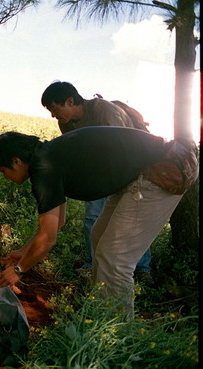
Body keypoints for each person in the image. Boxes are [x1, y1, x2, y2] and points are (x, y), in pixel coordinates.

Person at [0, 127, 191, 316]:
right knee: (98, 236)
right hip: (142, 172)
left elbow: (49, 239)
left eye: (3, 171)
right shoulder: (47, 157)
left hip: (165, 168)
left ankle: (117, 334)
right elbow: (58, 223)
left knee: (116, 258)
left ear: (16, 161)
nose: (5, 178)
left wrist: (18, 270)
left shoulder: (44, 170)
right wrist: (24, 251)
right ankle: (100, 308)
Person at [40, 81, 153, 286]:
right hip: (99, 172)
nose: (53, 116)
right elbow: (72, 151)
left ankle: (143, 269)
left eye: (54, 109)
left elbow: (123, 147)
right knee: (92, 218)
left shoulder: (104, 110)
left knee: (132, 221)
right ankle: (93, 264)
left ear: (70, 101)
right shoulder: (66, 123)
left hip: (130, 169)